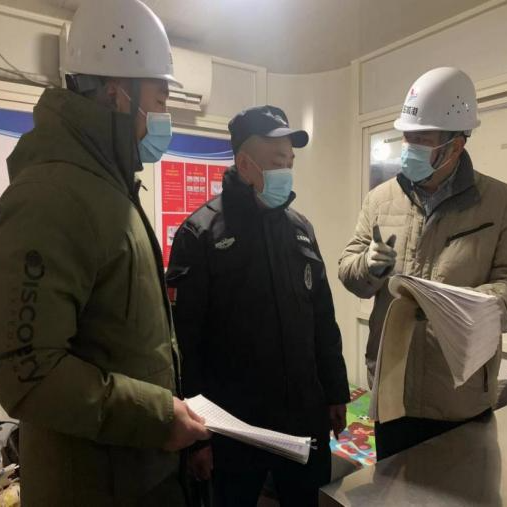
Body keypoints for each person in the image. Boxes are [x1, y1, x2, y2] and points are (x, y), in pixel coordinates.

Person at [0, 0, 209, 505]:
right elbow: (28, 373)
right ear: (117, 94)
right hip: (94, 487)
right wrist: (158, 416)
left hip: (137, 474)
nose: (163, 117)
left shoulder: (107, 186)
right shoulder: (52, 195)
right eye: (159, 100)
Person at [166, 105, 350, 507]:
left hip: (302, 418)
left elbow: (322, 317)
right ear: (245, 163)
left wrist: (336, 393)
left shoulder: (300, 229)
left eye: (290, 162)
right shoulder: (200, 233)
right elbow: (186, 345)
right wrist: (197, 439)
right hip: (235, 427)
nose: (286, 171)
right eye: (276, 161)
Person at [338, 67, 507, 460]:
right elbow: (348, 270)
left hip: (459, 397)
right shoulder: (380, 199)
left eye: (422, 139)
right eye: (407, 137)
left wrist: (467, 304)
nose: (409, 147)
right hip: (392, 392)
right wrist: (368, 266)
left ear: (456, 145)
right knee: (391, 487)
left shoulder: (498, 203)